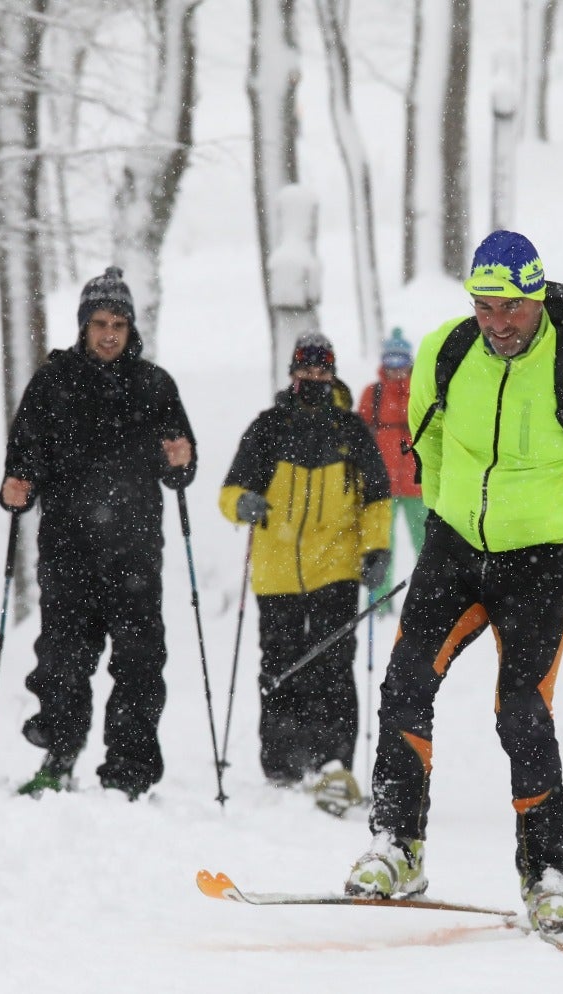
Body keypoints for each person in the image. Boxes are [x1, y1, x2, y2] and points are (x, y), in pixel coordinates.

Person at [346, 230, 563, 940]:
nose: (499, 322)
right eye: (486, 306)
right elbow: (426, 437)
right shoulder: (446, 351)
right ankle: (398, 846)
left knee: (521, 712)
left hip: (542, 560)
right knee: (403, 684)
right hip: (454, 549)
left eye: (513, 307)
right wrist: (449, 512)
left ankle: (546, 876)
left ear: (538, 297)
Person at [1, 266, 197, 800]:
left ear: (131, 329)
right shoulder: (52, 382)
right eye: (99, 323)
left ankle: (127, 774)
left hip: (135, 553)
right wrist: (15, 487)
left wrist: (181, 460)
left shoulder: (155, 385)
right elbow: (23, 461)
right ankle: (58, 758)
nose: (109, 333)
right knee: (62, 660)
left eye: (118, 323)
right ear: (83, 326)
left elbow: (179, 464)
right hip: (67, 551)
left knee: (138, 665)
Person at [218, 332, 392, 814]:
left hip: (336, 565)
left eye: (322, 369)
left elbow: (377, 498)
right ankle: (283, 764)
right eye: (306, 368)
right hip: (276, 572)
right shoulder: (268, 428)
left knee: (334, 665)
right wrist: (244, 504)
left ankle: (334, 761)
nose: (313, 377)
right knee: (280, 663)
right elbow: (229, 493)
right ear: (292, 371)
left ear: (332, 372)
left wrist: (376, 549)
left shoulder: (351, 430)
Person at [357, 328, 427, 614]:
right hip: (381, 486)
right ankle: (379, 603)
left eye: (401, 362)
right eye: (391, 362)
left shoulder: (422, 392)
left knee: (426, 547)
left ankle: (429, 601)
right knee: (381, 547)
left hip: (419, 485)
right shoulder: (372, 395)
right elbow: (360, 438)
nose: (396, 369)